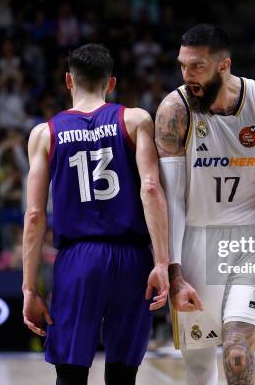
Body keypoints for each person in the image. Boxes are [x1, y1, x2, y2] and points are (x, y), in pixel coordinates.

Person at [155, 24, 255, 385]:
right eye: (182, 66)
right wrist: (174, 273)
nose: (187, 74)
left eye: (197, 66)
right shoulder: (175, 110)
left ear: (224, 65)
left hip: (251, 239)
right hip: (194, 242)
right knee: (200, 371)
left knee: (237, 356)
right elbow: (171, 198)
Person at [22, 43, 170, 385]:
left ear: (68, 81)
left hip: (79, 258)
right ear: (111, 82)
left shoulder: (44, 134)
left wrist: (30, 288)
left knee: (71, 373)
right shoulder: (135, 120)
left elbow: (34, 215)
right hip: (133, 258)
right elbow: (151, 189)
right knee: (123, 374)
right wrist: (162, 262)